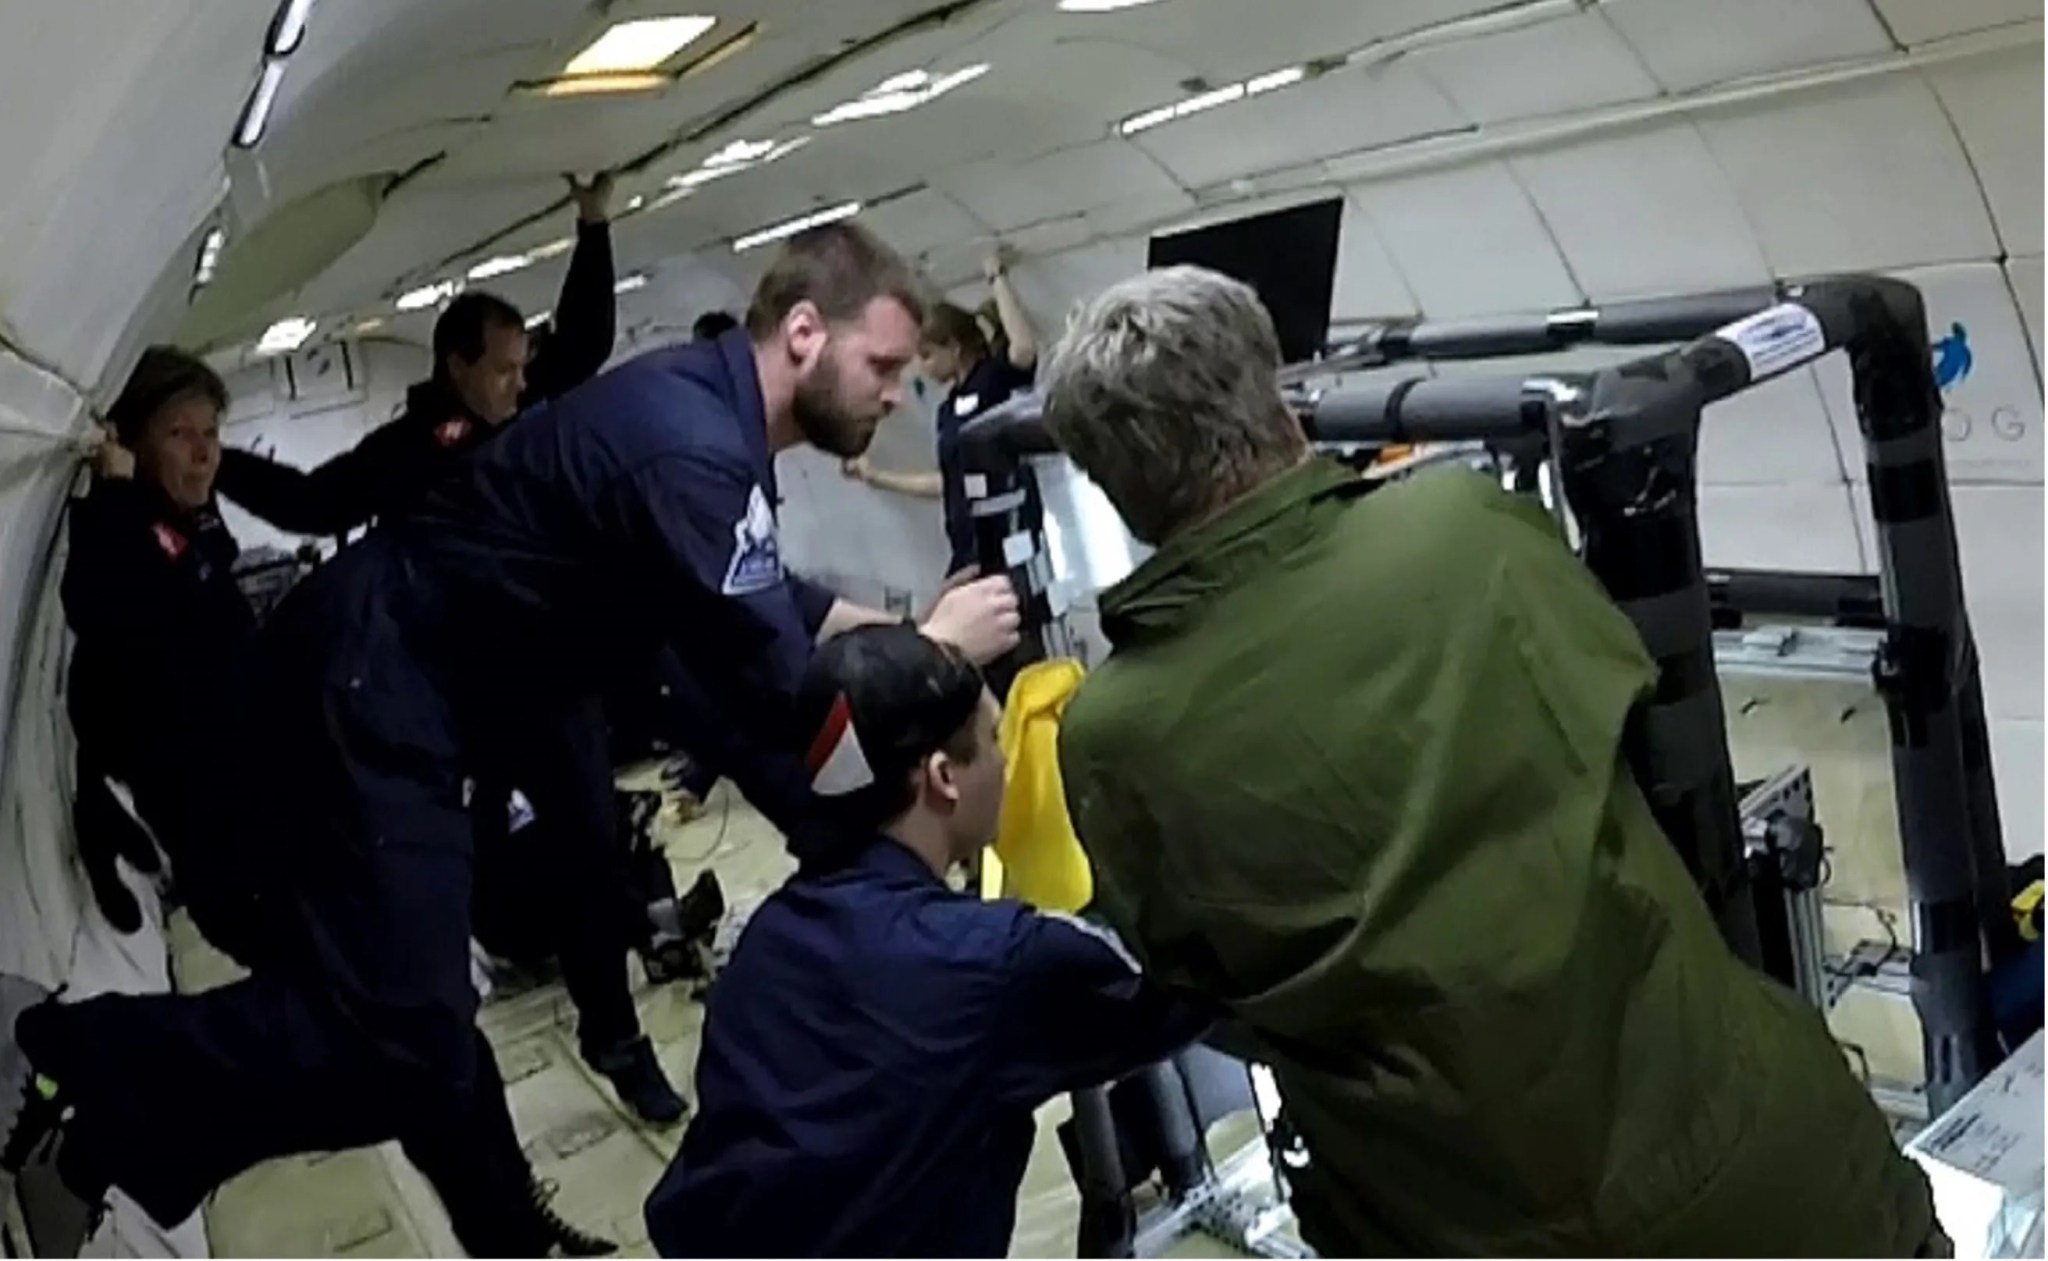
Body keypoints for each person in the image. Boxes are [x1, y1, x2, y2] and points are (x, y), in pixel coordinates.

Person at [0, 221, 1018, 1258]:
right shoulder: (691, 447)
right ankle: (67, 1056)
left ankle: (127, 1146)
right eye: (884, 365)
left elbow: (766, 600)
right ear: (804, 333)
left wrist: (882, 632)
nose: (897, 392)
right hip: (371, 696)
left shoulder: (694, 419)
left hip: (403, 694)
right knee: (406, 1033)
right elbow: (780, 687)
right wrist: (934, 650)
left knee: (419, 1031)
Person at [1040, 266, 1945, 1257]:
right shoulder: (1462, 528)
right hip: (1781, 1185)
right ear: (1274, 399)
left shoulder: (1109, 736)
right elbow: (1627, 714)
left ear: (1112, 485)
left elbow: (1191, 976)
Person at [643, 625, 1204, 1258]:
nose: (1007, 759)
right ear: (943, 776)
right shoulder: (996, 962)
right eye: (993, 740)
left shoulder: (760, 945)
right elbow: (1192, 989)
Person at [212, 173, 620, 534]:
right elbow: (314, 507)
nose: (522, 382)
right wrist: (217, 462)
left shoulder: (519, 399)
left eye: (520, 367)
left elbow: (585, 344)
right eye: (503, 370)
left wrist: (594, 224)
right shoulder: (408, 451)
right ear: (459, 367)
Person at [62, 348, 266, 963]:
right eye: (180, 434)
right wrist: (119, 493)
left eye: (211, 434)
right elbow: (110, 607)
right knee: (255, 927)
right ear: (132, 441)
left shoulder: (188, 516)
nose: (205, 453)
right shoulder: (115, 524)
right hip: (195, 787)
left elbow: (209, 565)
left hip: (240, 765)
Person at [843, 249, 1039, 580]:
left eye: (928, 355)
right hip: (967, 548)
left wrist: (996, 276)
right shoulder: (948, 410)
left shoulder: (993, 380)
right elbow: (948, 483)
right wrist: (875, 477)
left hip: (1010, 537)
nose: (923, 367)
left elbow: (1023, 349)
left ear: (954, 347)